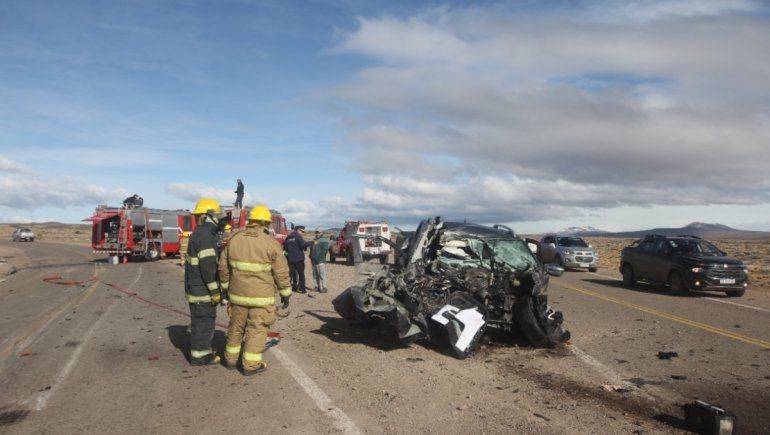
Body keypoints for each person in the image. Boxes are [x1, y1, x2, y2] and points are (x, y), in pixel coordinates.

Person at [219, 205, 291, 375]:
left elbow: (223, 267)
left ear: (251, 221)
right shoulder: (271, 243)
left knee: (235, 327)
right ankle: (250, 366)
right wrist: (285, 293)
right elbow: (281, 272)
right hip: (261, 298)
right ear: (265, 223)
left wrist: (224, 289)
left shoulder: (234, 239)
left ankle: (230, 360)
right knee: (257, 330)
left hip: (237, 296)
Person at [184, 198, 224, 366]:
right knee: (204, 323)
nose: (220, 220)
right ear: (208, 216)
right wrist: (215, 292)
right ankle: (201, 356)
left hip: (195, 290)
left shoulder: (198, 234)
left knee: (200, 323)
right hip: (202, 292)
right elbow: (209, 270)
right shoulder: (206, 237)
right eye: (218, 216)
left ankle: (202, 351)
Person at [283, 225, 311, 294]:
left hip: (290, 259)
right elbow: (304, 244)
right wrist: (312, 242)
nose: (302, 233)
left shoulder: (288, 237)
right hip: (298, 259)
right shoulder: (298, 236)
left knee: (290, 275)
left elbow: (285, 247)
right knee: (301, 275)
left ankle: (289, 289)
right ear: (298, 230)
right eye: (302, 231)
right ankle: (302, 289)